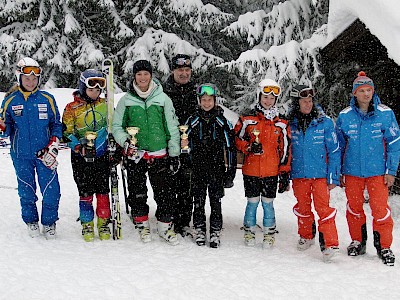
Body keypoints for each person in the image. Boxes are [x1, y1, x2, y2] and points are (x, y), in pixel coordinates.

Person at [112, 59, 181, 246]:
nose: (142, 77)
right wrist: (125, 142)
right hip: (136, 155)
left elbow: (172, 127)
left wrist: (174, 154)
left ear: (151, 75)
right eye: (139, 74)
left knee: (164, 193)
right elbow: (117, 126)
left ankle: (165, 226)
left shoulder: (163, 99)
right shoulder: (126, 100)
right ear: (134, 76)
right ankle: (141, 224)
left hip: (159, 154)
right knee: (137, 192)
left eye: (146, 74)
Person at [336, 71, 400, 266]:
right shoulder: (345, 116)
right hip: (352, 172)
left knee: (380, 210)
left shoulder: (385, 113)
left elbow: (394, 143)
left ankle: (384, 246)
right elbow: (338, 146)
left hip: (378, 172)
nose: (366, 94)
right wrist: (339, 171)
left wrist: (391, 171)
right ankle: (358, 242)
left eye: (369, 90)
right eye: (361, 90)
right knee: (354, 209)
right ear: (354, 93)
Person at [0, 57, 62, 239]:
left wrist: (54, 142)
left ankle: (49, 222)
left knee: (51, 190)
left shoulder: (47, 99)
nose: (31, 82)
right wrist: (3, 127)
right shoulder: (10, 100)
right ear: (19, 78)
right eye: (27, 78)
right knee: (26, 190)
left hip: (45, 154)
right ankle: (31, 221)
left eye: (35, 78)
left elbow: (56, 124)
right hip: (21, 154)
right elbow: (7, 130)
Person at [234, 79, 291, 249]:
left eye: (272, 99)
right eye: (265, 97)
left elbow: (286, 150)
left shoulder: (281, 123)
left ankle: (269, 233)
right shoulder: (247, 119)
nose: (268, 101)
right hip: (251, 170)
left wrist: (284, 172)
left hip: (270, 171)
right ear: (259, 97)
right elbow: (236, 139)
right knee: (252, 202)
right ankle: (249, 231)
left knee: (268, 203)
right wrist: (249, 146)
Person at [288, 84, 340, 262]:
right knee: (303, 207)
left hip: (320, 175)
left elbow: (334, 150)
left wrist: (334, 176)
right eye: (304, 101)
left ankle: (329, 243)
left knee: (323, 209)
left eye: (310, 101)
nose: (308, 104)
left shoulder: (324, 122)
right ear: (296, 103)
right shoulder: (290, 123)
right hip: (299, 174)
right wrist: (284, 175)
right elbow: (285, 151)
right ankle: (306, 235)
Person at [181, 83, 236, 248]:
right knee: (198, 201)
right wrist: (185, 161)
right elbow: (183, 141)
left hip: (216, 168)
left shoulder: (221, 120)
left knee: (215, 201)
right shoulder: (193, 119)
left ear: (215, 101)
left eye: (209, 100)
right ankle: (199, 228)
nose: (206, 103)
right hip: (197, 168)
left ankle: (215, 230)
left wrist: (230, 171)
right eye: (203, 100)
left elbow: (229, 146)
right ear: (199, 101)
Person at [62, 69, 113, 242]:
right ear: (83, 87)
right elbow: (66, 133)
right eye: (91, 88)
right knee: (85, 191)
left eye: (99, 89)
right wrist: (78, 146)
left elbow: (113, 125)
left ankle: (104, 221)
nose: (95, 92)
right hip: (81, 157)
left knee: (103, 190)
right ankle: (87, 223)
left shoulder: (105, 104)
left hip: (101, 155)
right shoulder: (72, 108)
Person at [162, 54, 197, 236]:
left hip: (190, 147)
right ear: (173, 70)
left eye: (187, 70)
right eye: (180, 70)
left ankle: (183, 222)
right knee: (167, 186)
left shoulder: (196, 92)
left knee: (187, 186)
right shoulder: (163, 91)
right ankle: (167, 219)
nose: (184, 74)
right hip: (168, 145)